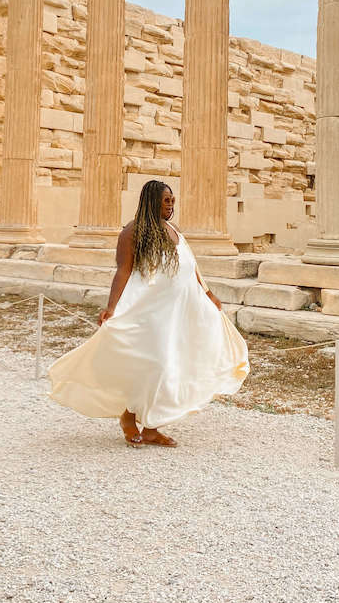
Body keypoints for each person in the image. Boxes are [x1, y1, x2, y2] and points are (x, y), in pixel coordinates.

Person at [48, 180, 249, 448]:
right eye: (166, 200)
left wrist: (208, 292)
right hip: (151, 311)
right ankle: (129, 417)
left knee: (174, 363)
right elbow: (123, 270)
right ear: (151, 200)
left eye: (173, 200)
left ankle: (152, 427)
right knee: (156, 364)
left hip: (180, 310)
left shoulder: (173, 229)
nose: (171, 204)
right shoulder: (132, 232)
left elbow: (191, 265)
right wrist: (111, 307)